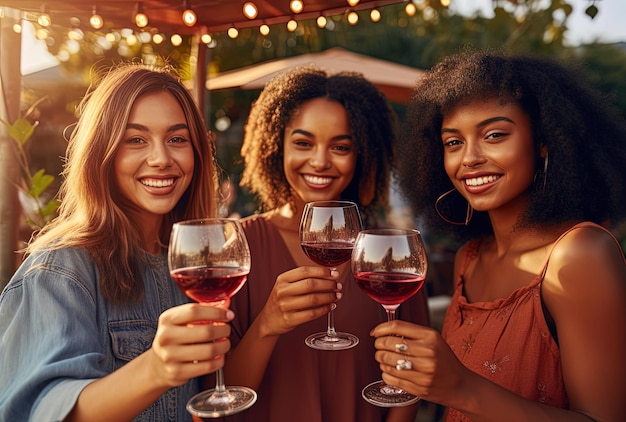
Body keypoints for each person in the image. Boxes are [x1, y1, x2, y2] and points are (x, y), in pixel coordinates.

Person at [371, 49, 626, 421]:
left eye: (494, 134)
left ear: (543, 142)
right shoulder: (469, 258)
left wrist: (462, 388)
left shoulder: (579, 255)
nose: (469, 158)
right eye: (453, 142)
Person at [0, 63, 232, 421]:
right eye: (135, 139)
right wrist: (154, 369)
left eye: (177, 139)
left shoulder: (184, 263)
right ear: (102, 153)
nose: (161, 158)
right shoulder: (61, 268)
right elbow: (41, 411)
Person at [223, 65, 431, 422]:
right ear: (276, 145)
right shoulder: (238, 245)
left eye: (340, 146)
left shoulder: (390, 250)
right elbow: (223, 395)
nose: (320, 161)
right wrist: (268, 324)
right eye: (303, 143)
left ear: (361, 153)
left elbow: (410, 380)